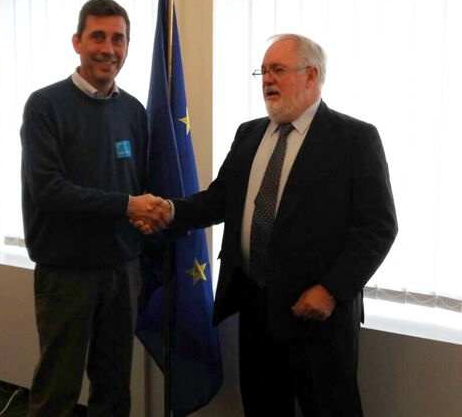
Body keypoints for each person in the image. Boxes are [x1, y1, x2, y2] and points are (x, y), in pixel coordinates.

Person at [133, 34, 398, 416]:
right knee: (262, 408)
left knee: (330, 408)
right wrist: (171, 211)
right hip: (255, 307)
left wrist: (331, 290)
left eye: (278, 70)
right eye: (263, 71)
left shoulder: (354, 139)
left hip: (316, 314)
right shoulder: (249, 133)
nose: (267, 79)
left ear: (311, 76)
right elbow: (221, 199)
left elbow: (378, 227)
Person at [21, 0, 166, 417]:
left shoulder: (134, 110)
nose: (108, 49)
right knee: (57, 389)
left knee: (114, 386)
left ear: (127, 46)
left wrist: (145, 214)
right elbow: (48, 191)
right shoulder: (45, 106)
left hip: (123, 269)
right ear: (77, 42)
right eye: (97, 37)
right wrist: (127, 206)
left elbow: (137, 184)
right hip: (66, 272)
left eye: (118, 39)